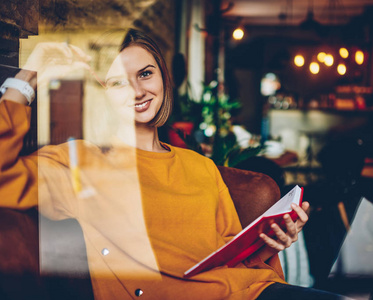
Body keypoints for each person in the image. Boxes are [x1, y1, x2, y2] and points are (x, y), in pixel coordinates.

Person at [0, 28, 347, 299]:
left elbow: (234, 260)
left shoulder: (201, 167)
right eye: (120, 82)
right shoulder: (82, 164)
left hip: (252, 292)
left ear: (164, 79)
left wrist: (271, 240)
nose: (138, 91)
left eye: (145, 74)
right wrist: (28, 72)